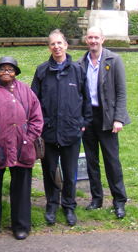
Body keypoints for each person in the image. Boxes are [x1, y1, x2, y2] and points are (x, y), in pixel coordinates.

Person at [0, 56, 43, 240]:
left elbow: (37, 117)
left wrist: (29, 139)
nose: (6, 72)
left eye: (10, 69)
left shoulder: (25, 91)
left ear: (16, 72)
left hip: (22, 146)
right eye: (2, 69)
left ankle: (21, 226)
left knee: (21, 188)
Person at [31, 30, 92, 227]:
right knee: (50, 171)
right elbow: (34, 102)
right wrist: (38, 126)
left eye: (59, 43)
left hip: (71, 131)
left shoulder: (78, 70)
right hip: (48, 132)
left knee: (70, 172)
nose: (56, 47)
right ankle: (51, 204)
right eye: (52, 44)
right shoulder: (42, 71)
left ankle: (69, 206)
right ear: (48, 47)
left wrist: (83, 123)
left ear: (66, 45)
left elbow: (87, 101)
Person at [78, 26, 130, 219]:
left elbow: (121, 92)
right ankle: (96, 198)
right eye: (90, 37)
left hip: (107, 117)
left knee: (112, 161)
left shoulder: (114, 60)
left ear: (103, 39)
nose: (93, 41)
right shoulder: (81, 63)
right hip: (88, 117)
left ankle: (119, 201)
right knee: (91, 161)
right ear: (86, 40)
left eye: (96, 37)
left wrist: (119, 118)